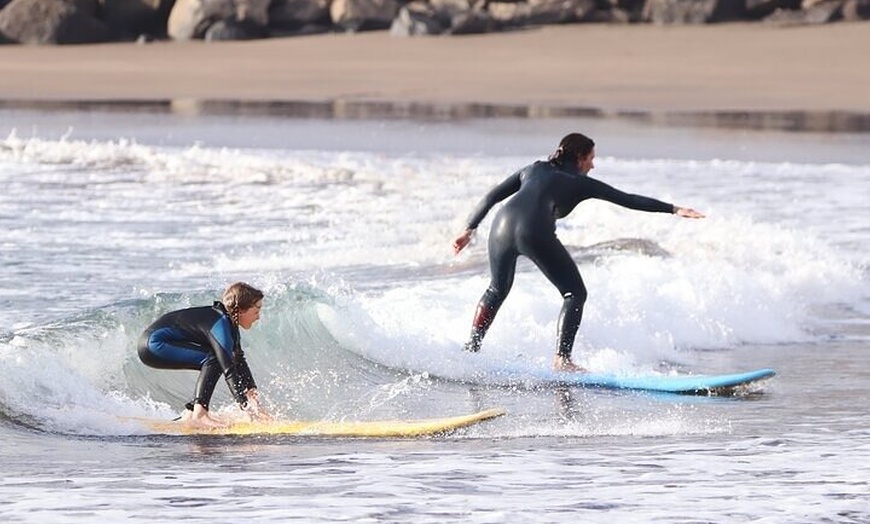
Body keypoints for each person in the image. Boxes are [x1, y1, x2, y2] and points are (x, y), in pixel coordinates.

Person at [452, 132, 705, 372]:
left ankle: (471, 349)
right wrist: (673, 209)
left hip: (500, 226)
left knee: (497, 289)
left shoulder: (533, 168)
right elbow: (627, 199)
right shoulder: (580, 183)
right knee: (575, 293)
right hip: (534, 230)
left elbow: (492, 196)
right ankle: (562, 359)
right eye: (591, 158)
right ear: (579, 158)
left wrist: (469, 229)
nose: (593, 165)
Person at [137, 282, 272, 427]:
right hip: (154, 344)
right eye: (256, 311)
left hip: (158, 343)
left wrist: (255, 404)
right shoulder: (220, 323)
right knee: (214, 359)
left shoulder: (228, 324)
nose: (258, 317)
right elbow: (229, 369)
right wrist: (247, 410)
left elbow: (239, 360)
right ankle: (199, 415)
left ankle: (192, 412)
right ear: (241, 311)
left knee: (218, 357)